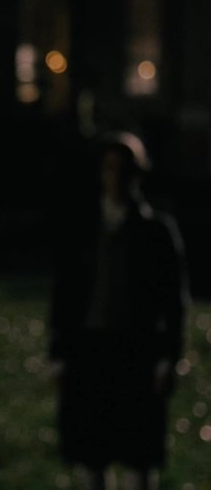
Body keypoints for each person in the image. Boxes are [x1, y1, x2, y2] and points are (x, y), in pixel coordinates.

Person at [47, 130, 190, 490]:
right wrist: (58, 352)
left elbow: (173, 301)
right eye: (110, 167)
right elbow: (64, 294)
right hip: (88, 352)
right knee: (90, 454)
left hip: (137, 353)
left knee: (139, 455)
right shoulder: (82, 228)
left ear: (138, 174)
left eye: (125, 168)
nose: (117, 176)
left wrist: (168, 357)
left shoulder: (157, 232)